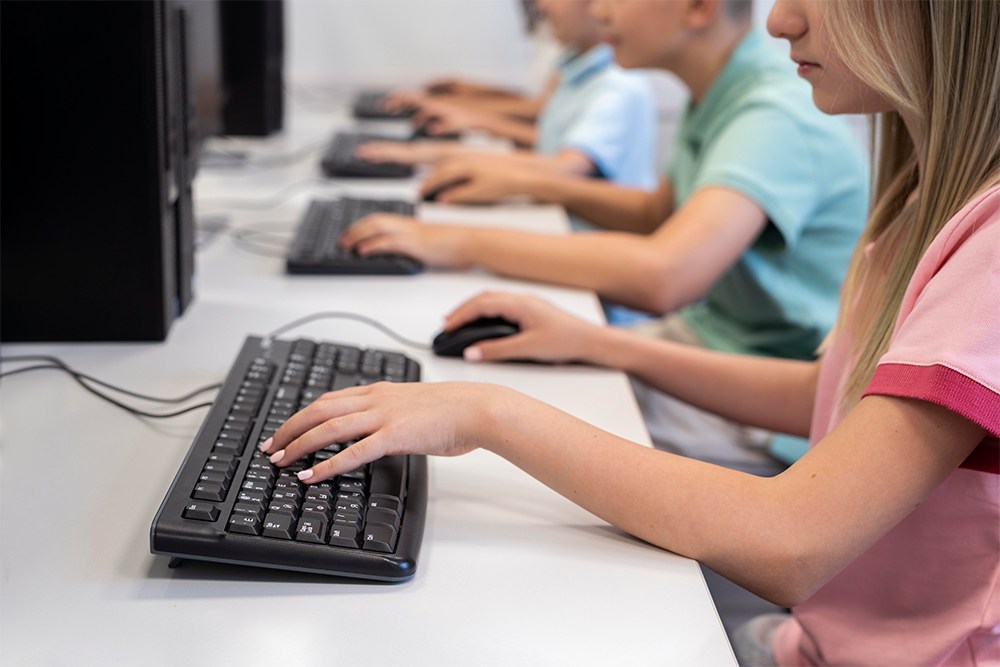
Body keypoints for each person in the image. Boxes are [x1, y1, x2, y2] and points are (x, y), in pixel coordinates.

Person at [263, 0, 999, 664]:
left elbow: (793, 541)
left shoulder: (985, 239)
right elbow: (830, 388)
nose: (780, 21)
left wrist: (486, 411)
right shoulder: (918, 193)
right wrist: (601, 343)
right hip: (818, 634)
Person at [343, 0, 869, 473]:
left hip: (762, 407)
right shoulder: (726, 89)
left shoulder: (774, 113)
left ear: (698, 8)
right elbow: (658, 211)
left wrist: (458, 243)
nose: (597, 9)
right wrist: (531, 183)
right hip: (710, 342)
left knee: (498, 437)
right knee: (494, 388)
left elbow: (665, 276)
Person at [356, 0, 657, 194]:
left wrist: (430, 154)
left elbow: (562, 165)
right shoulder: (576, 64)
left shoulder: (618, 86)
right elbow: (548, 137)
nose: (540, 5)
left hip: (591, 254)